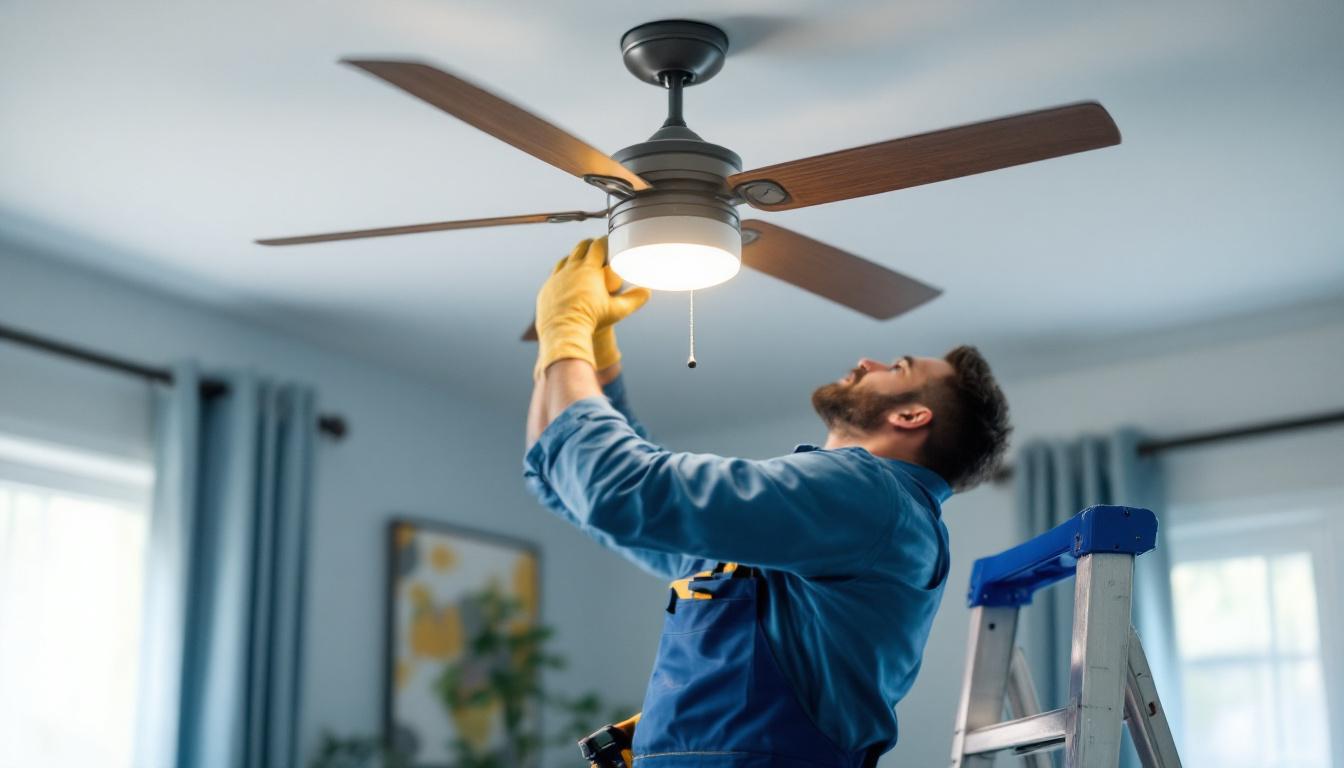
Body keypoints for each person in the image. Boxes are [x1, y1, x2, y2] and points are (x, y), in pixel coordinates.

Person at [524, 237, 1012, 767]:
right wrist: (588, 355)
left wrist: (566, 332)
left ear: (911, 417)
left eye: (897, 366)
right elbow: (565, 482)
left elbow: (616, 490)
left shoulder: (869, 495)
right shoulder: (820, 528)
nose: (867, 361)